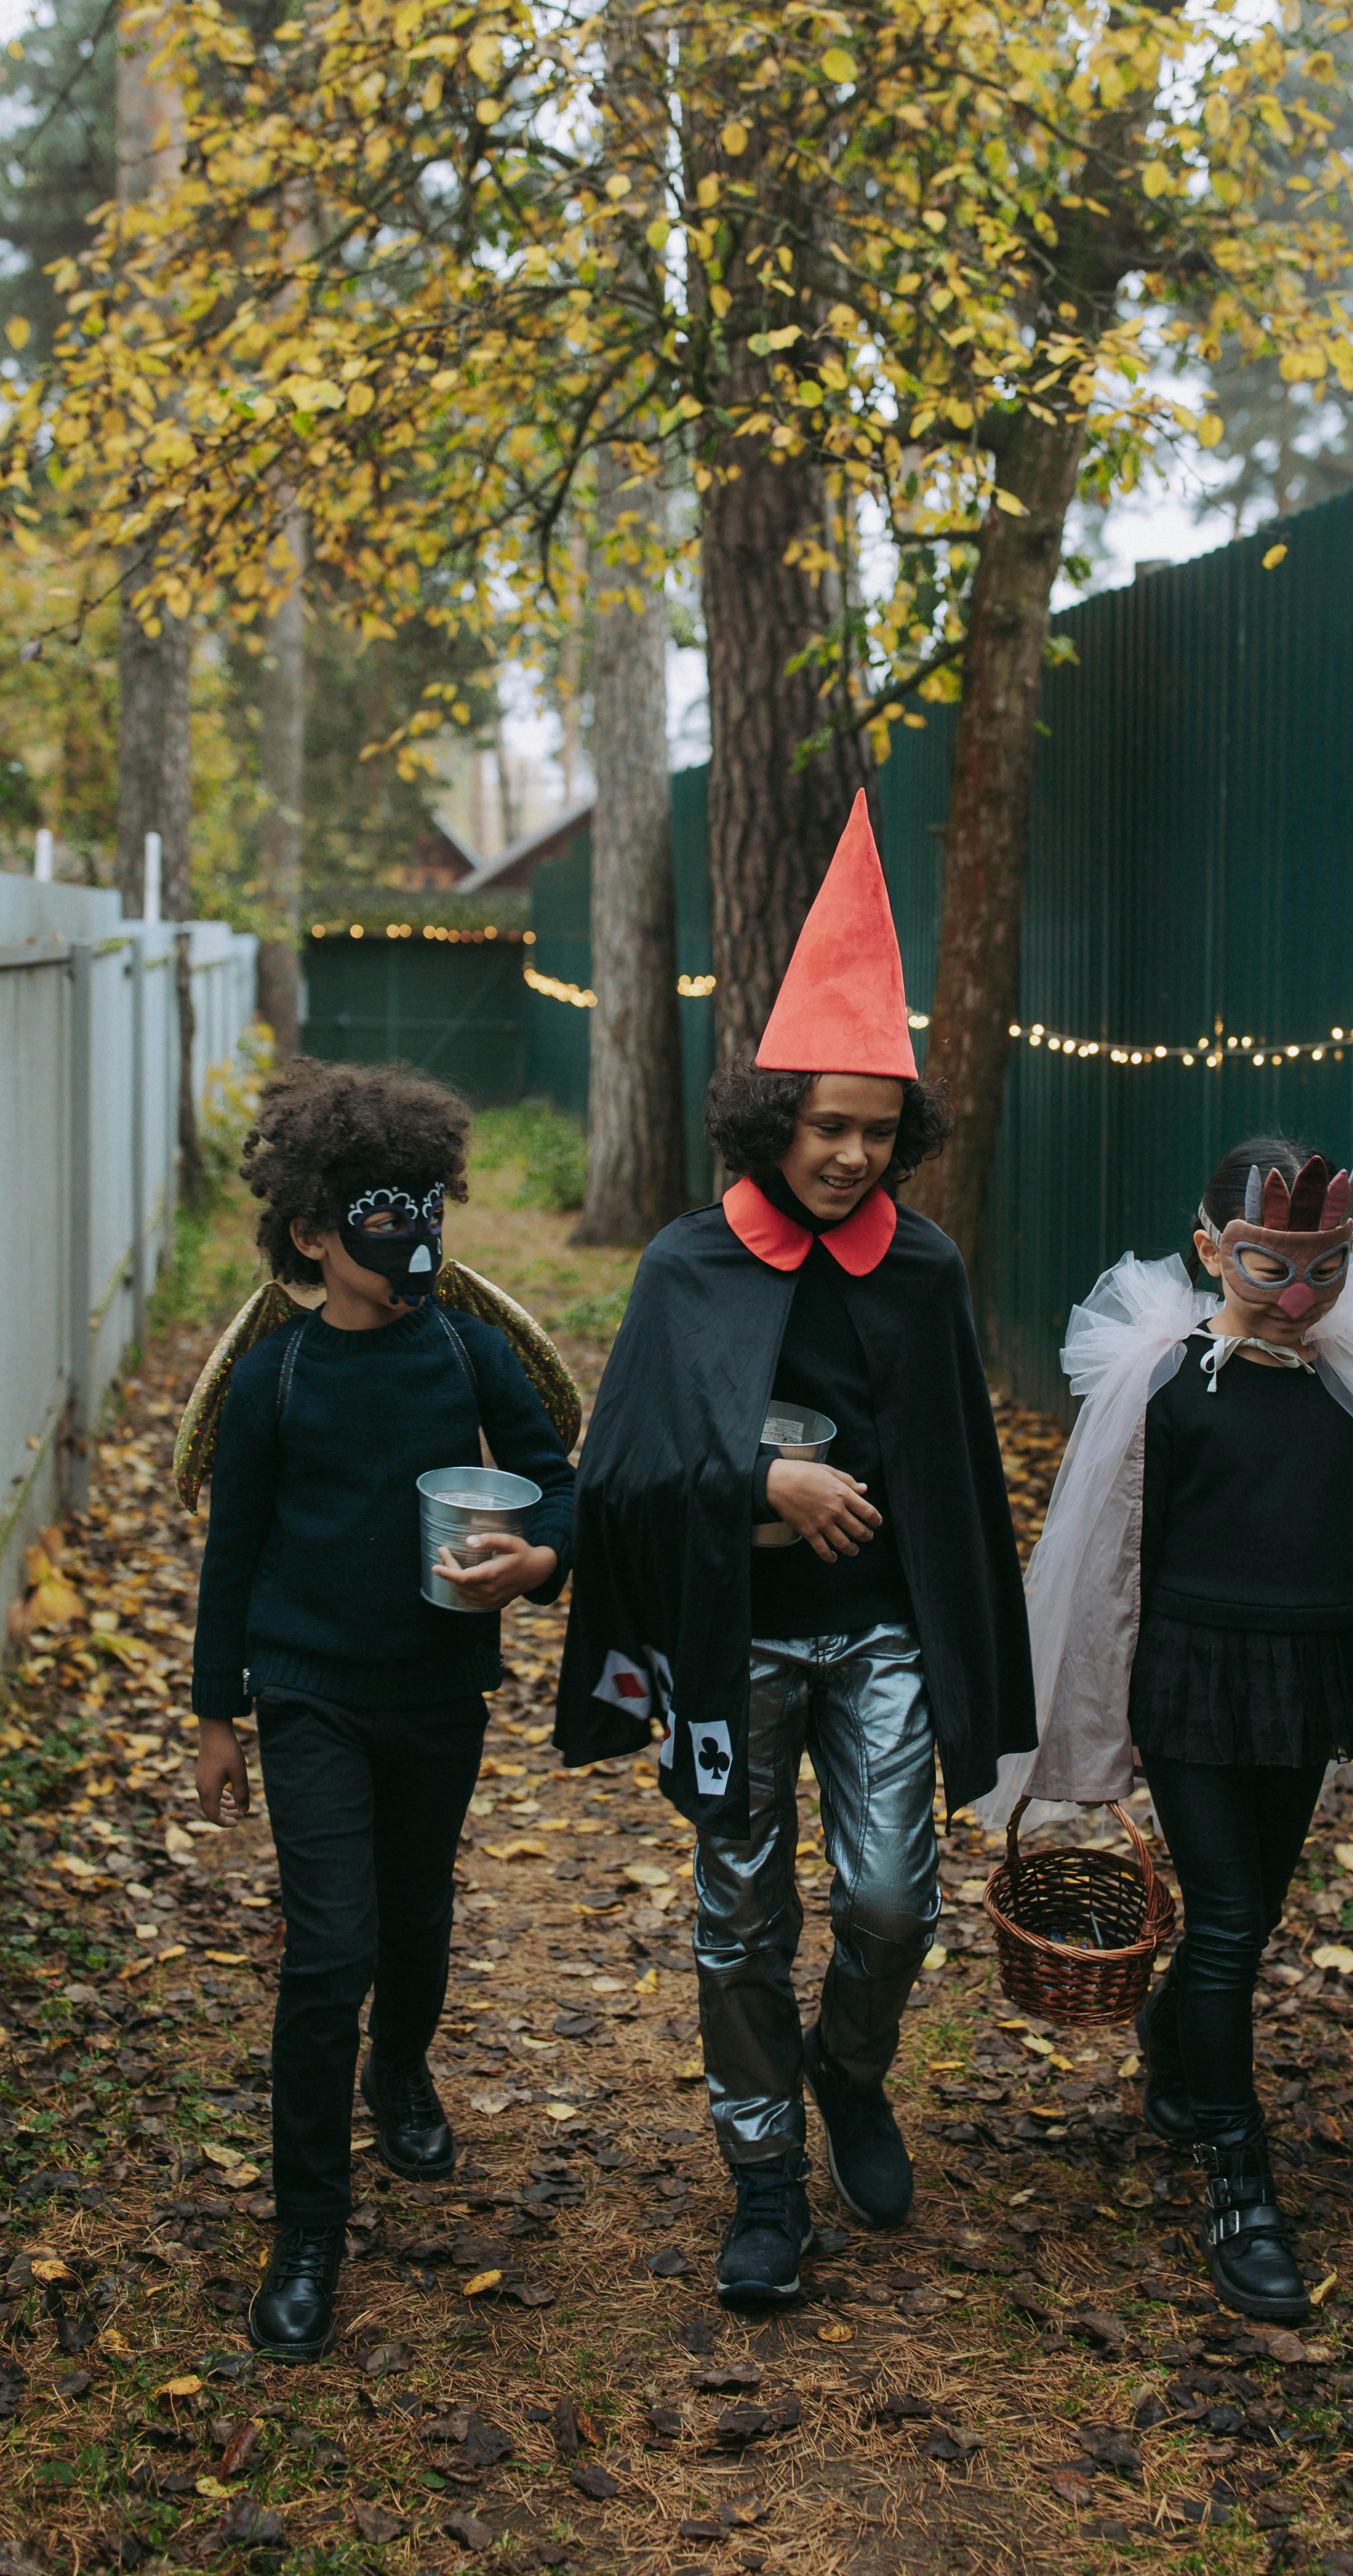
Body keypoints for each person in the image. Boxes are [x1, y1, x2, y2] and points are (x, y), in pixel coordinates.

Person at [555, 794, 1036, 2305]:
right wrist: (766, 1476)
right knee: (737, 1907)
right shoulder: (689, 1263)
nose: (849, 1157)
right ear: (774, 1118)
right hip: (732, 1636)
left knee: (892, 1899)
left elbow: (953, 1475)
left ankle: (848, 2065)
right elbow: (623, 1470)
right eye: (827, 1126)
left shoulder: (923, 1266)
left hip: (881, 1627)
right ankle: (762, 2176)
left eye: (878, 1132)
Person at [975, 1136, 1353, 2325]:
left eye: (1325, 1266)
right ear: (1211, 1247)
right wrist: (1105, 1708)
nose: (1298, 1293)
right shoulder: (1165, 1379)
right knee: (1221, 1918)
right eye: (1270, 1262)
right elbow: (1112, 1555)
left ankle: (1173, 2041)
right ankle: (1237, 2173)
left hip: (1306, 1684)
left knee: (1250, 1913)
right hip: (1192, 1683)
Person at [184, 1059, 577, 2362]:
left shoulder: (467, 1354)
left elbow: (553, 1480)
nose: (412, 1236)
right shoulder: (274, 1379)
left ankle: (399, 2067)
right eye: (381, 1212)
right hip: (305, 1694)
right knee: (328, 1948)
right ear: (311, 1230)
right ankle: (307, 2226)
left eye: (427, 1207)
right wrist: (215, 1714)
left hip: (438, 1690)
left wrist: (539, 1559)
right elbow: (230, 1554)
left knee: (414, 1916)